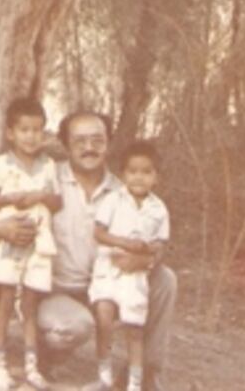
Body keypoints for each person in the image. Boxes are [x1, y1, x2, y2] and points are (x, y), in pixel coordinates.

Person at [0, 110, 177, 391]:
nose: (89, 148)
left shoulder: (125, 189)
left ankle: (144, 373)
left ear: (108, 143)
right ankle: (45, 355)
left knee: (165, 280)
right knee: (70, 326)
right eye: (79, 141)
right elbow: (1, 217)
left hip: (107, 285)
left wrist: (145, 259)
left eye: (97, 140)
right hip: (56, 290)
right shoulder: (48, 177)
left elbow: (156, 241)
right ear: (65, 144)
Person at [0, 97, 61, 391]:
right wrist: (10, 198)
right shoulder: (1, 164)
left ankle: (31, 366)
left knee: (30, 304)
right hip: (11, 242)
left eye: (37, 130)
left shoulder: (48, 165)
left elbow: (57, 201)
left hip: (39, 244)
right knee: (4, 300)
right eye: (24, 130)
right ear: (10, 133)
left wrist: (41, 196)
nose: (31, 136)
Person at [88, 140, 170, 391]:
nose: (139, 178)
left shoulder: (158, 209)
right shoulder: (114, 200)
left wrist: (145, 252)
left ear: (156, 177)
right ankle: (104, 375)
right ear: (123, 174)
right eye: (133, 171)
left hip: (136, 276)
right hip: (108, 269)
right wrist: (123, 242)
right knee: (104, 316)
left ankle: (134, 383)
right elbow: (99, 233)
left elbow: (161, 244)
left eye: (146, 172)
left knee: (135, 328)